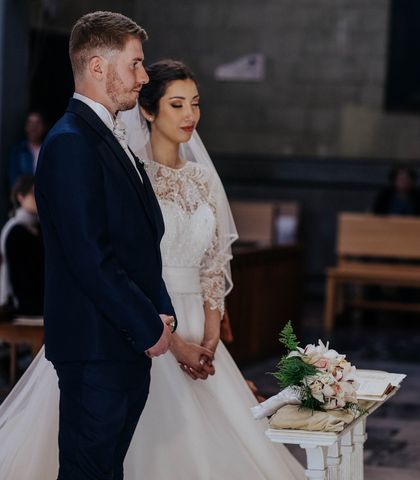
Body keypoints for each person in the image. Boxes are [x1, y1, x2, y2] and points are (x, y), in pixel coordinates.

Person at [0, 59, 305, 479]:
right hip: (141, 318)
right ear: (147, 110)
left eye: (195, 104)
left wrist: (212, 335)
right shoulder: (129, 170)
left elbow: (214, 264)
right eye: (177, 104)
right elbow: (112, 261)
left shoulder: (202, 180)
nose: (189, 115)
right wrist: (174, 340)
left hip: (199, 324)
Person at [33, 11, 198, 480]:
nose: (144, 77)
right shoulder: (70, 142)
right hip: (95, 349)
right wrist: (148, 327)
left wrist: (161, 310)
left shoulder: (107, 136)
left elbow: (141, 243)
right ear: (99, 67)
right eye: (136, 64)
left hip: (117, 344)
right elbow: (91, 257)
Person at [0, 175, 44, 316]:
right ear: (21, 197)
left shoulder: (39, 227)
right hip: (20, 306)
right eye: (33, 193)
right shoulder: (15, 230)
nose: (38, 198)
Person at [7, 112, 46, 187]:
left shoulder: (48, 150)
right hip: (24, 196)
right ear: (26, 127)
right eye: (30, 123)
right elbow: (13, 179)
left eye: (38, 123)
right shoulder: (18, 150)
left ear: (44, 127)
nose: (34, 127)